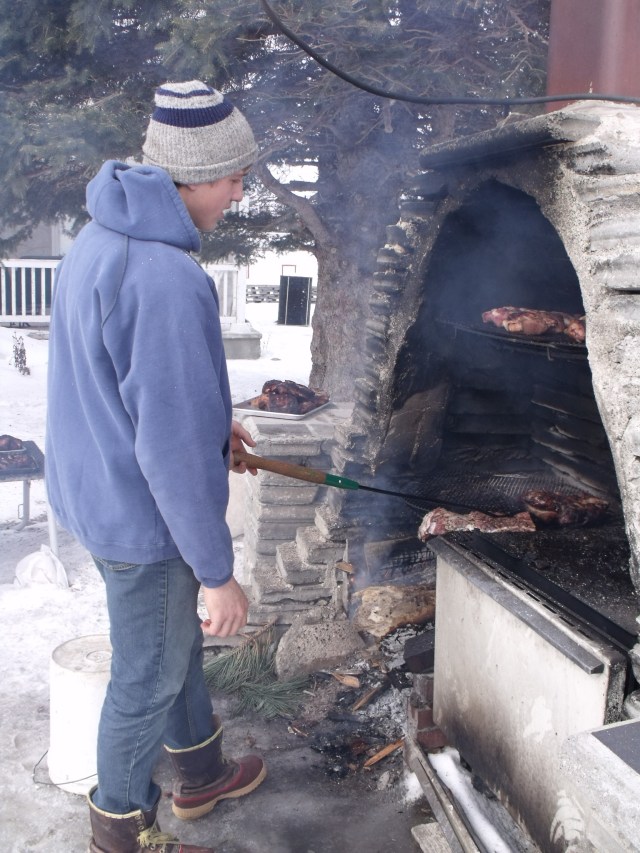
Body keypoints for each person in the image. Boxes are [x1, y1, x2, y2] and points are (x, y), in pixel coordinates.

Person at [45, 81, 266, 853]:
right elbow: (167, 448)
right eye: (233, 176)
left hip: (99, 493)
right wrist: (217, 569)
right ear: (191, 175)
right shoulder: (165, 276)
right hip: (143, 518)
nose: (240, 191)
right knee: (146, 676)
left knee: (170, 647)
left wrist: (209, 423)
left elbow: (125, 385)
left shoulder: (100, 236)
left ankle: (201, 771)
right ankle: (122, 827)